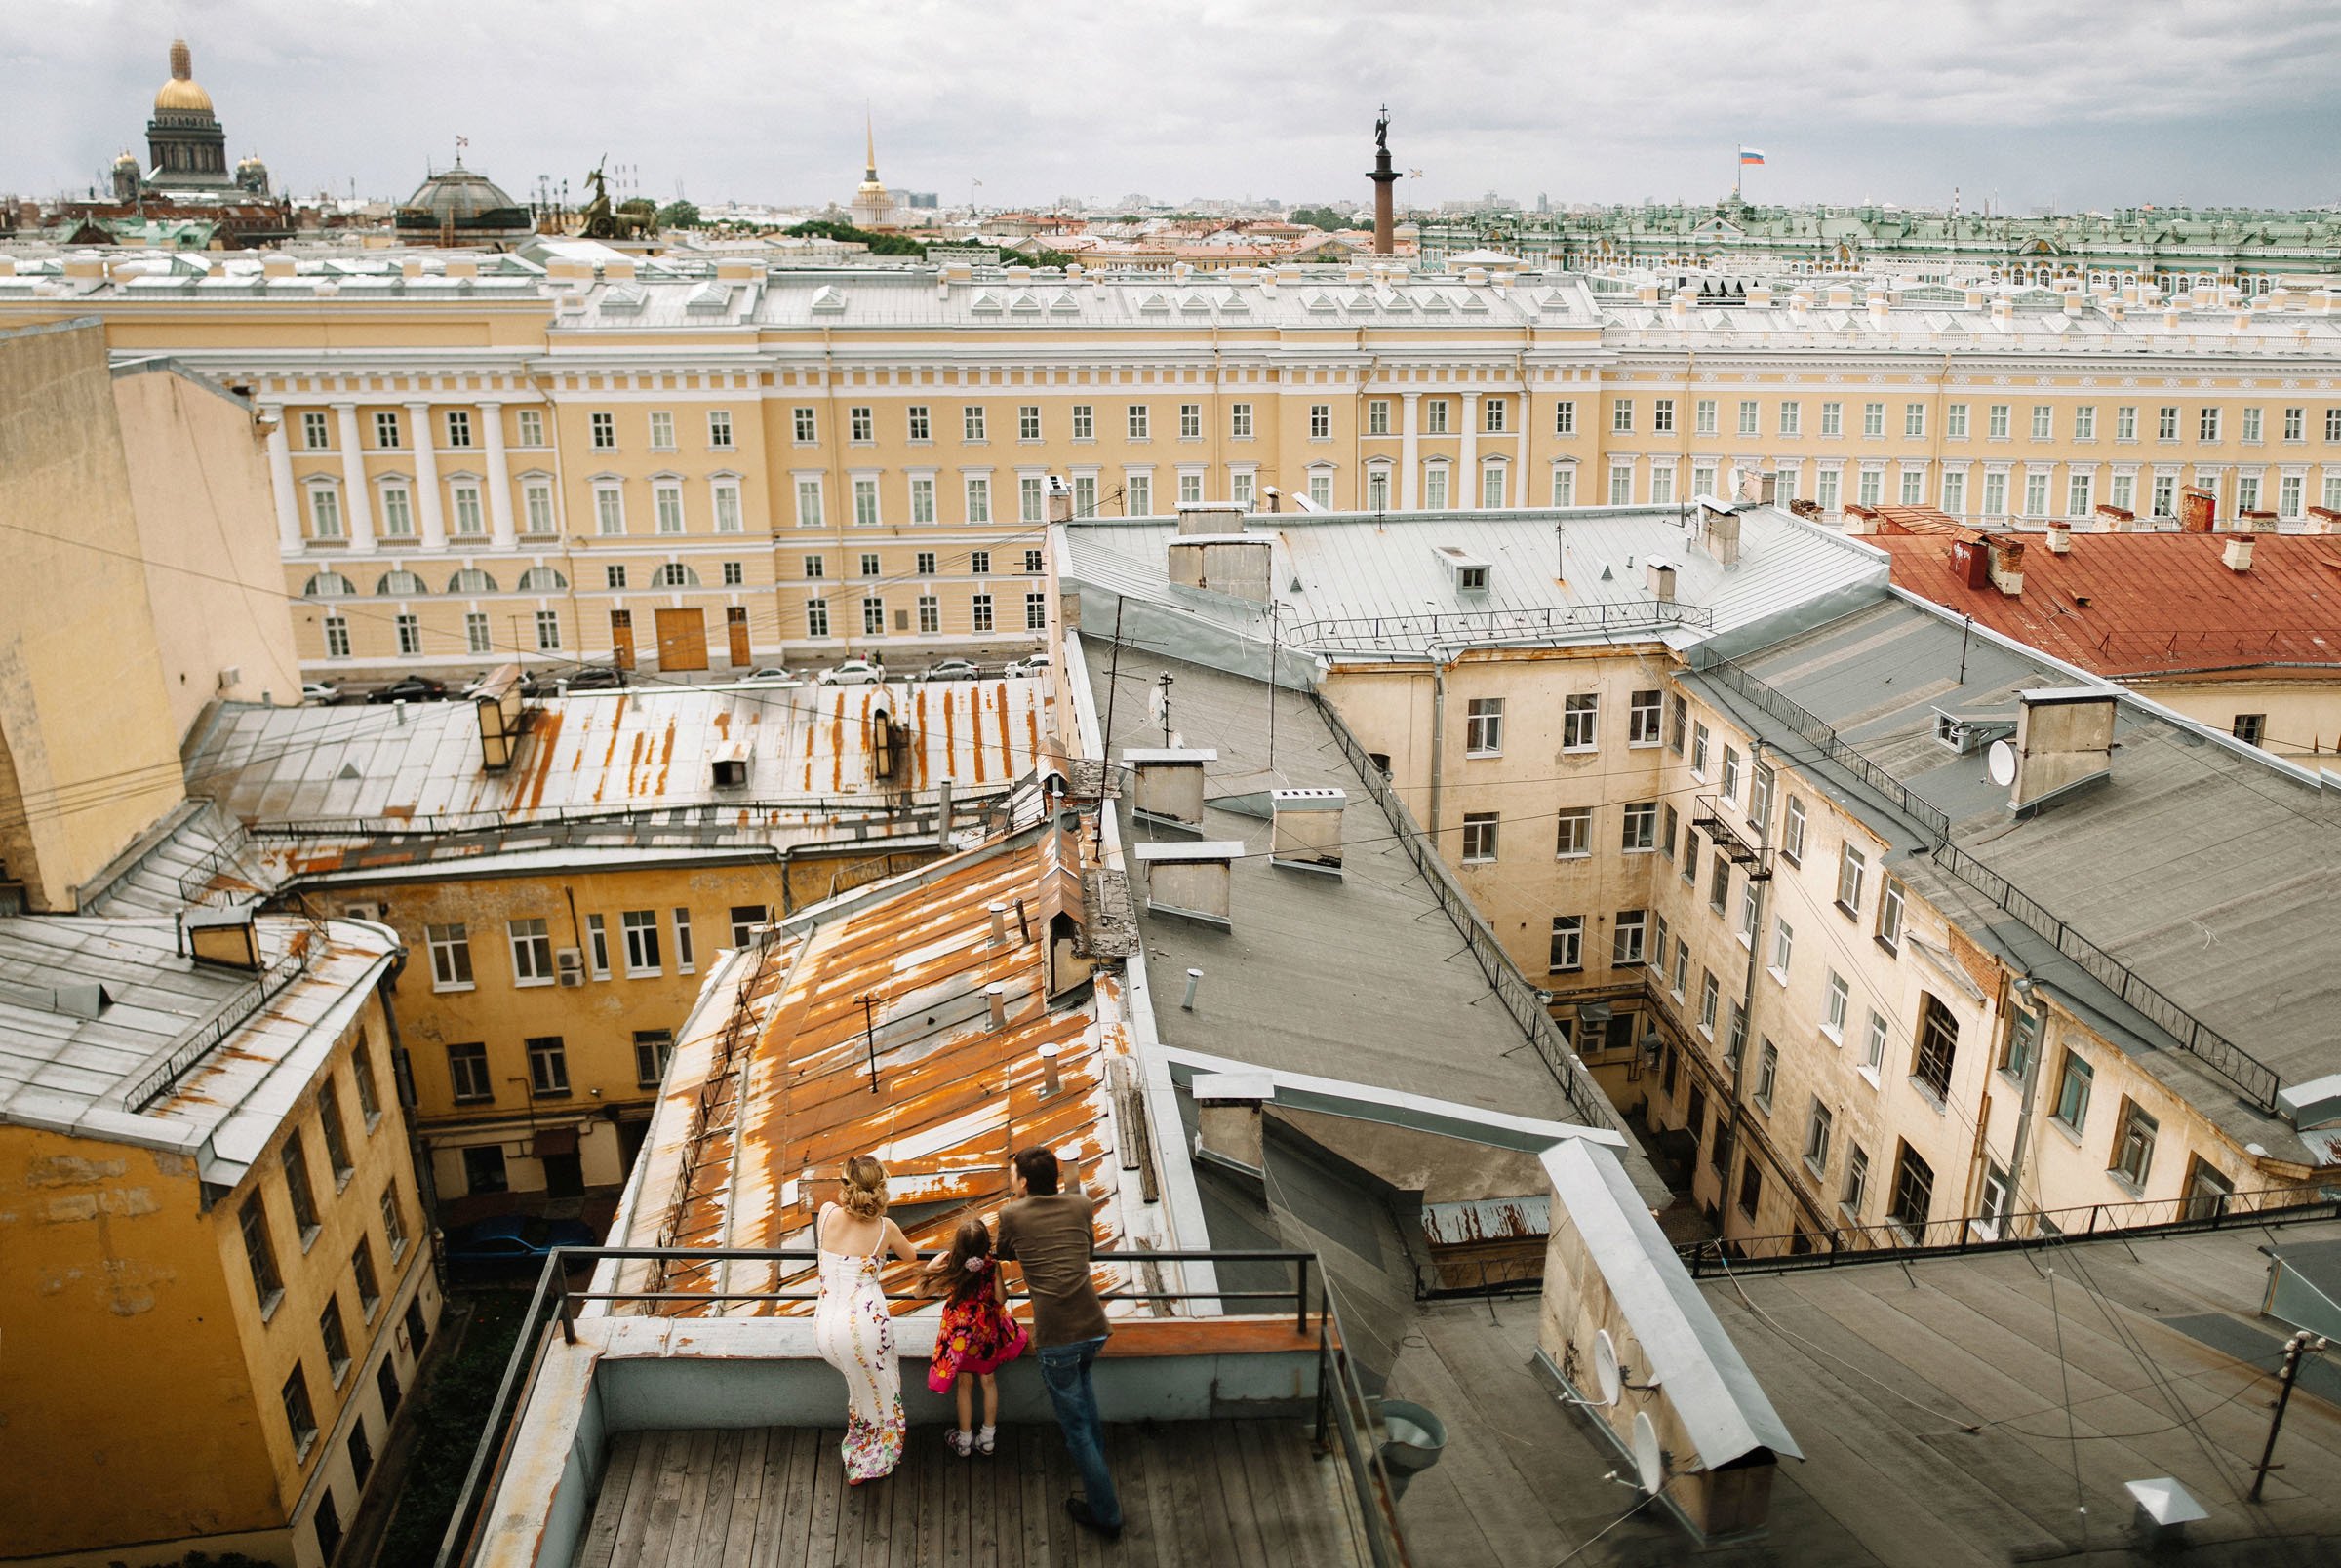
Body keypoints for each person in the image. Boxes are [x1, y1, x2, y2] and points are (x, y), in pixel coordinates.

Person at [995, 1145, 1121, 1538]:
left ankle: (1107, 1515)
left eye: (1013, 1175)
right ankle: (1097, 1467)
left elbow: (1002, 1253)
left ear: (1026, 1183)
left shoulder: (1011, 1214)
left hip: (1057, 1336)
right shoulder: (1081, 1205)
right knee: (1084, 1392)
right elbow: (1088, 1250)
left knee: (1077, 1430)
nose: (1010, 1181)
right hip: (1094, 1325)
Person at [812, 1155, 918, 1485]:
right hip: (865, 1328)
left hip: (826, 1329)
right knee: (884, 1395)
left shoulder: (827, 1215)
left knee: (859, 1391)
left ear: (846, 1187)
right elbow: (911, 1257)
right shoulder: (885, 1229)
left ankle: (859, 1452)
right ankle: (874, 1463)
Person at [923, 1214, 1029, 1456]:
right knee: (988, 1381)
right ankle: (988, 1439)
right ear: (985, 1246)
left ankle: (963, 1441)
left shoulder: (953, 1267)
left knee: (964, 1384)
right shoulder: (992, 1266)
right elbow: (1001, 1299)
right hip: (986, 1334)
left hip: (961, 1337)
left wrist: (928, 1270)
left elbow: (921, 1292)